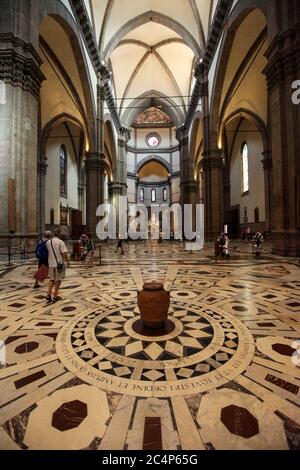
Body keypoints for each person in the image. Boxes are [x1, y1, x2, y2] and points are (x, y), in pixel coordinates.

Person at [46, 230, 70, 303]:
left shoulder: (48, 242)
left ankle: (48, 294)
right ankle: (55, 296)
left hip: (50, 263)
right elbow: (64, 253)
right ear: (59, 235)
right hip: (59, 263)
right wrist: (67, 261)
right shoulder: (60, 242)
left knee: (52, 279)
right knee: (58, 279)